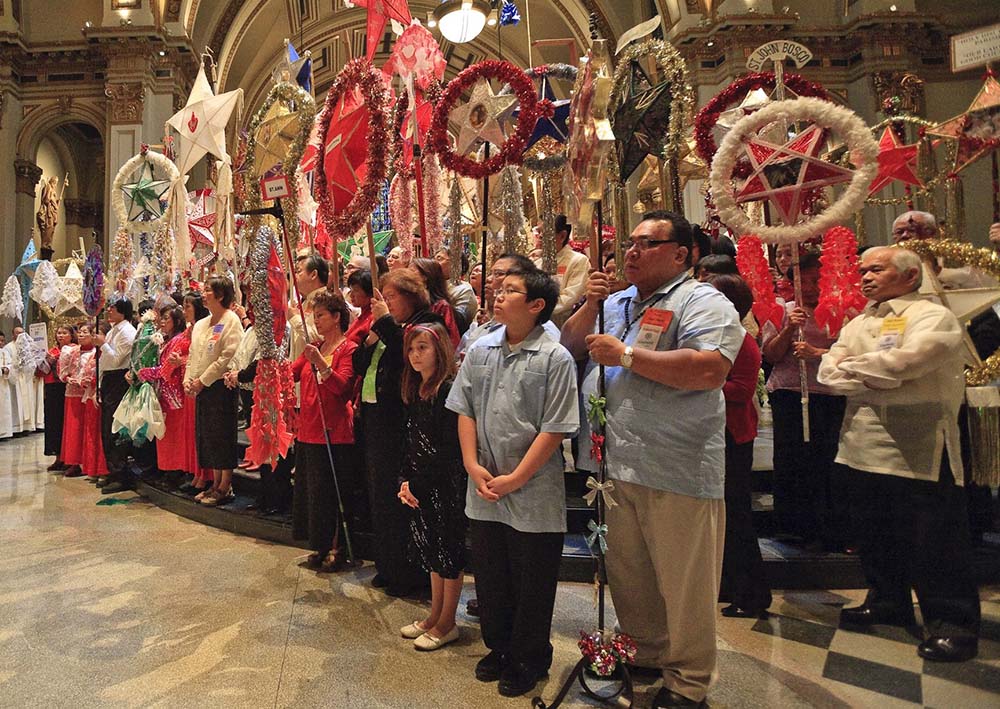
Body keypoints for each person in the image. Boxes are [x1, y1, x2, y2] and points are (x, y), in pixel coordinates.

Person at [561, 210, 744, 709]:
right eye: (629, 243)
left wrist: (626, 357)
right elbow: (569, 345)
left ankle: (687, 682)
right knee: (629, 571)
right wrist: (591, 301)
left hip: (675, 463)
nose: (631, 252)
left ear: (681, 253)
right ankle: (645, 648)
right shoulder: (616, 302)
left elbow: (709, 369)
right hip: (613, 463)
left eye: (645, 243)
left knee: (685, 582)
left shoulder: (701, 300)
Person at [818, 246, 980, 663]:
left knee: (934, 539)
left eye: (877, 269)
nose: (865, 277)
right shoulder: (859, 321)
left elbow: (909, 362)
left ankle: (952, 621)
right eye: (862, 270)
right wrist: (872, 375)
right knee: (875, 531)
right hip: (861, 442)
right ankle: (888, 598)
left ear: (910, 276)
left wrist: (860, 372)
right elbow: (827, 373)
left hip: (920, 443)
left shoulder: (933, 316)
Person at [447, 269, 579, 698]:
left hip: (532, 486)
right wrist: (470, 462)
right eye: (497, 289)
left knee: (532, 575)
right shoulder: (482, 349)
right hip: (484, 481)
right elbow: (464, 407)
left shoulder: (555, 357)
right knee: (491, 574)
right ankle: (499, 647)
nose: (498, 295)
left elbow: (556, 426)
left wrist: (517, 477)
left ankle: (529, 656)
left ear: (537, 305)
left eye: (509, 291)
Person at [353, 268, 444, 597]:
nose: (387, 302)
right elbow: (362, 363)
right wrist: (374, 335)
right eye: (385, 297)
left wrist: (385, 325)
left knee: (398, 496)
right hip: (375, 418)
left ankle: (406, 571)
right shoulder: (387, 326)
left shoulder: (424, 323)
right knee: (379, 494)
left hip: (400, 420)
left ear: (410, 295)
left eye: (392, 297)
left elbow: (408, 357)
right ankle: (387, 564)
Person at [760, 251, 848, 549]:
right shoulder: (783, 311)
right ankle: (791, 526)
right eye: (804, 281)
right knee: (790, 459)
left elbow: (852, 354)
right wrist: (788, 327)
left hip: (828, 393)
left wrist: (817, 353)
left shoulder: (841, 312)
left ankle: (829, 528)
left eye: (816, 281)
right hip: (789, 393)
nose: (811, 288)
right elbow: (770, 354)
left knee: (827, 459)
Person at [397, 322, 466, 652]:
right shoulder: (418, 391)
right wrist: (405, 482)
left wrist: (419, 485)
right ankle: (434, 613)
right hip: (422, 485)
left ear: (439, 351)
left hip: (444, 486)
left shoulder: (448, 390)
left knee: (447, 553)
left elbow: (447, 449)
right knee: (432, 551)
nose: (415, 355)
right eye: (411, 348)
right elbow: (412, 442)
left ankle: (448, 621)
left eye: (422, 347)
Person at [706, 273, 771, 618]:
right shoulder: (713, 337)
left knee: (736, 515)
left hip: (734, 434)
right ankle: (729, 584)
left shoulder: (742, 340)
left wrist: (697, 381)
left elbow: (742, 390)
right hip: (714, 433)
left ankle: (753, 592)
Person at [292, 289, 360, 571]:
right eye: (314, 315)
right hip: (308, 430)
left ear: (336, 317)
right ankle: (319, 545)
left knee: (333, 493)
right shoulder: (315, 347)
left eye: (321, 315)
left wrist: (321, 363)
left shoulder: (347, 349)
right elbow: (291, 372)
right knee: (315, 494)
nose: (316, 321)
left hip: (334, 431)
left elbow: (343, 388)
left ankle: (337, 548)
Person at [184, 276, 243, 506]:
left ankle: (225, 485)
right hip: (202, 388)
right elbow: (193, 355)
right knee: (207, 436)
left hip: (220, 387)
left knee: (222, 435)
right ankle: (215, 483)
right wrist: (189, 380)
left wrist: (204, 380)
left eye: (208, 290)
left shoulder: (231, 320)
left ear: (220, 295)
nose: (203, 294)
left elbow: (227, 356)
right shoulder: (201, 324)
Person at [137, 305, 188, 481]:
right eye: (162, 318)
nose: (163, 321)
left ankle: (175, 470)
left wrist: (146, 372)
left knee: (173, 434)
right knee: (165, 433)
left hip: (174, 394)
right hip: (165, 393)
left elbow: (166, 370)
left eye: (167, 318)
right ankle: (167, 468)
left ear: (177, 320)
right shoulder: (167, 340)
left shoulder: (179, 339)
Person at [94, 297, 137, 487]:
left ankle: (121, 472)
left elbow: (117, 360)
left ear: (122, 311)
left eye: (113, 308)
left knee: (116, 426)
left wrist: (103, 344)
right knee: (107, 427)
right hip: (109, 380)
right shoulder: (114, 330)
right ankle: (112, 469)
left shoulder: (127, 332)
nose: (109, 310)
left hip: (119, 379)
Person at [176, 291, 212, 495]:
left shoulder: (205, 326)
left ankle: (204, 473)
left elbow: (200, 355)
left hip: (199, 381)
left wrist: (181, 362)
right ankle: (195, 471)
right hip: (188, 381)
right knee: (191, 430)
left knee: (199, 430)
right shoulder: (191, 329)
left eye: (187, 306)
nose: (184, 311)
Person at [67, 324, 108, 479]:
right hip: (89, 394)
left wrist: (91, 380)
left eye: (97, 334)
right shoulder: (93, 355)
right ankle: (93, 467)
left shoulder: (104, 353)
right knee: (91, 433)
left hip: (100, 394)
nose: (95, 336)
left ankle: (103, 468)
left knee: (99, 433)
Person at [534, 214, 590, 326]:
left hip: (564, 326)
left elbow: (571, 298)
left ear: (562, 236)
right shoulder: (537, 264)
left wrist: (536, 310)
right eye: (538, 232)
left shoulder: (578, 261)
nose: (539, 236)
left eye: (544, 232)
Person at [40, 326, 74, 470]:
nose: (61, 336)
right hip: (52, 387)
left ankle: (70, 458)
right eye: (59, 333)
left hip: (66, 388)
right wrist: (46, 360)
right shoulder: (52, 351)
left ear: (71, 335)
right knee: (53, 423)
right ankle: (58, 457)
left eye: (64, 333)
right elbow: (43, 370)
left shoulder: (74, 350)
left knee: (65, 423)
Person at [412, 257, 463, 345]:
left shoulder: (441, 306)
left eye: (411, 271)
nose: (406, 275)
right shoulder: (410, 302)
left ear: (424, 277)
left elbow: (451, 339)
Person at [435, 248, 478, 327]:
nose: (433, 262)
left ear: (454, 264)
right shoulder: (429, 284)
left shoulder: (464, 289)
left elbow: (458, 323)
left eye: (439, 258)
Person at [345, 269, 374, 346]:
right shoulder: (361, 316)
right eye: (351, 290)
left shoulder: (373, 319)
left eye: (356, 290)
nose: (351, 295)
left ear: (369, 292)